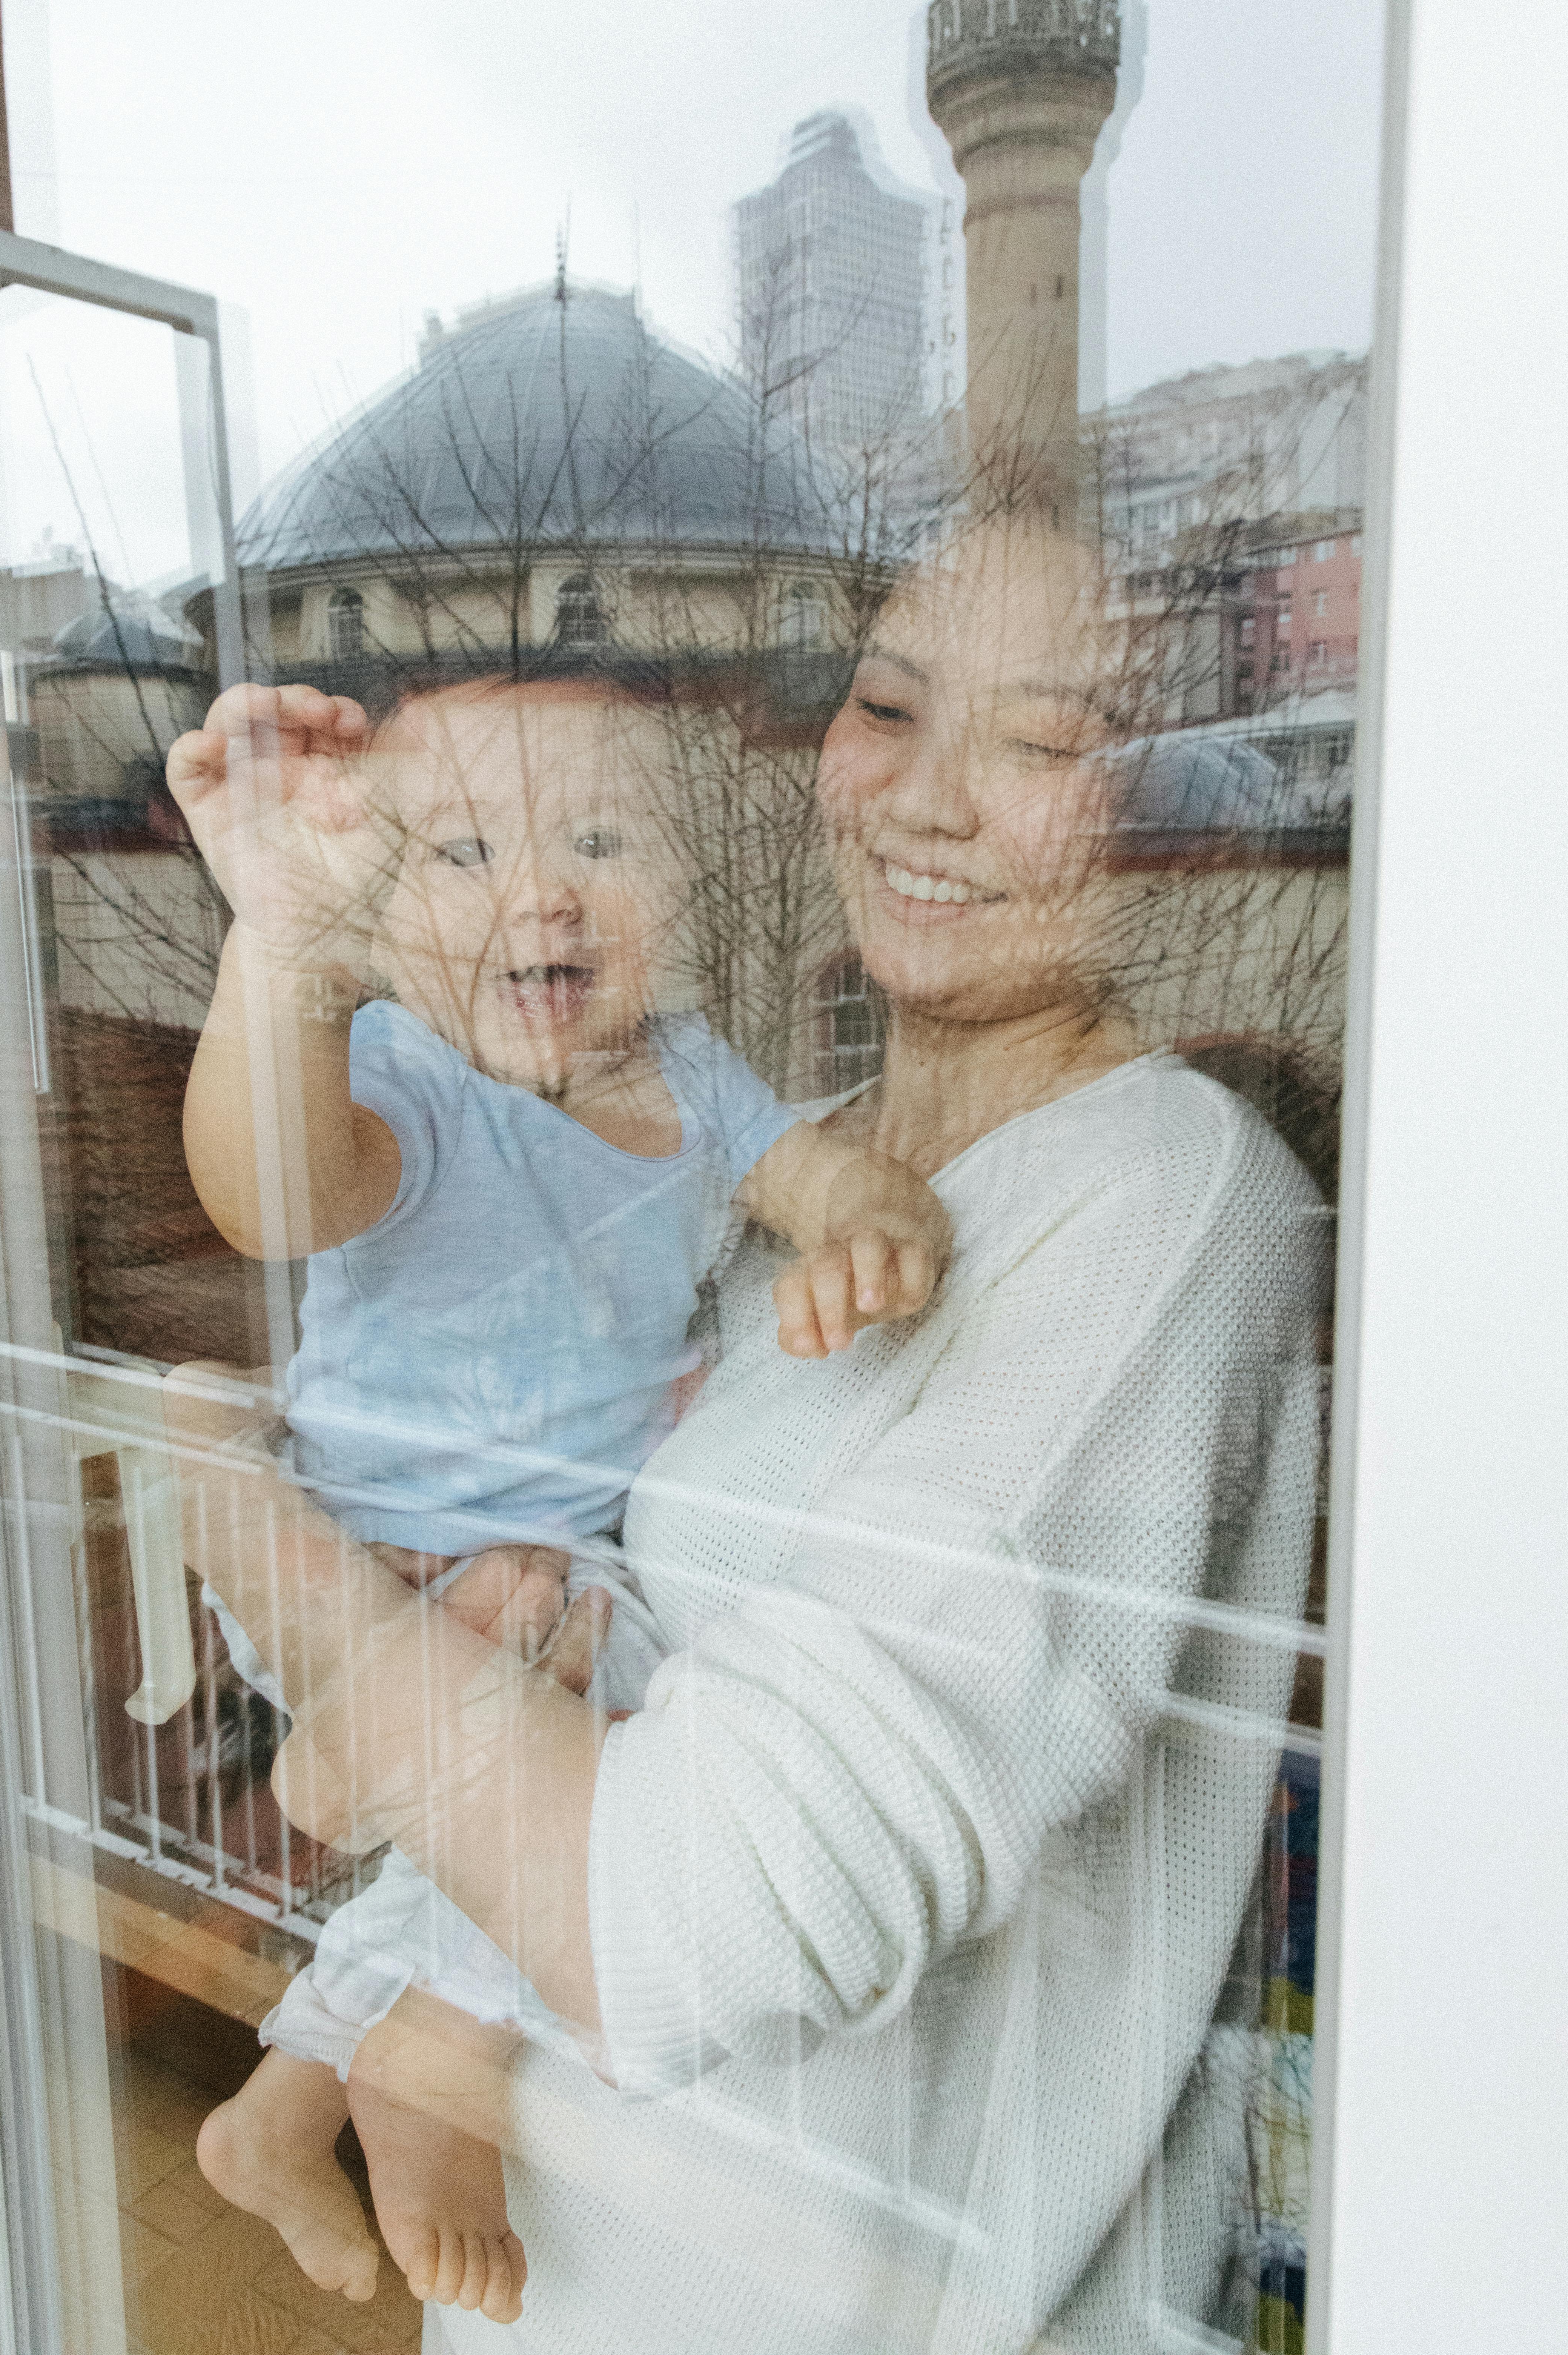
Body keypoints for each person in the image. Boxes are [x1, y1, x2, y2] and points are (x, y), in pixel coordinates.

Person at [176, 515, 1326, 2354]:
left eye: (1042, 743)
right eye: (886, 705)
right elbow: (302, 1199)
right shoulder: (768, 1161)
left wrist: (259, 1546)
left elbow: (681, 1916)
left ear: (1160, 805)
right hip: (564, 2285)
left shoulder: (1168, 1198)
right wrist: (289, 957)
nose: (931, 800)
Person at [162, 670, 953, 2320]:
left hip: (528, 1579)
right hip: (360, 1541)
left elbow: (815, 1178)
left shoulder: (697, 1083)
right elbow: (269, 1193)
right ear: (385, 914)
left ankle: (287, 2098)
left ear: (683, 892)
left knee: (537, 1749)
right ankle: (435, 2042)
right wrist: (284, 961)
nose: (542, 886)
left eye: (604, 837)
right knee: (612, 1729)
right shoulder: (408, 1076)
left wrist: (875, 1217)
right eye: (459, 852)